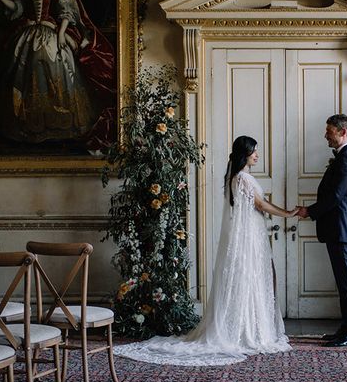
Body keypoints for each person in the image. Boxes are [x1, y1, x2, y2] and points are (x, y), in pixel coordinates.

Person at [114, 136, 296, 366]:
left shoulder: (235, 177)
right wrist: (288, 213)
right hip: (248, 237)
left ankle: (246, 327)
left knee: (248, 279)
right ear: (244, 153)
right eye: (254, 151)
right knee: (249, 278)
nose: (257, 155)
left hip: (250, 235)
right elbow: (260, 205)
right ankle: (246, 331)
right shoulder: (243, 178)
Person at [0, 0, 116, 151]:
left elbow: (66, 9)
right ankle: (28, 127)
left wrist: (61, 34)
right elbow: (17, 9)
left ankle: (57, 127)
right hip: (27, 33)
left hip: (52, 32)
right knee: (21, 72)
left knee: (56, 68)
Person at [297, 114, 347, 347]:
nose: (326, 135)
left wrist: (309, 211)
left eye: (329, 131)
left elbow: (335, 196)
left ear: (342, 132)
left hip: (342, 229)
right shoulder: (343, 158)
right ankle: (346, 327)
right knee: (343, 283)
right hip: (337, 229)